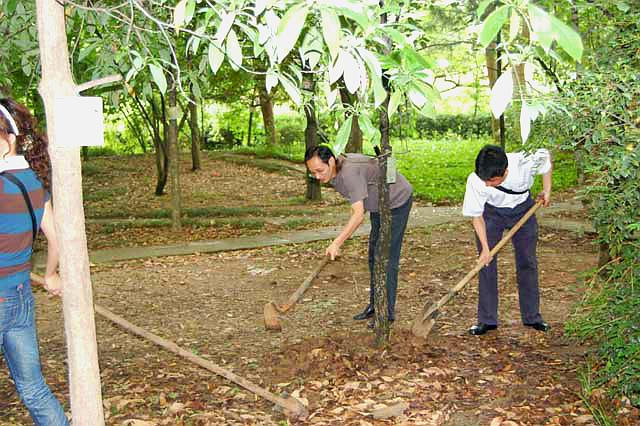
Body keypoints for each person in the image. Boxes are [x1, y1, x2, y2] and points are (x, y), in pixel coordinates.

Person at [0, 97, 69, 425]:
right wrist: (51, 274)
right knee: (34, 389)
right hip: (19, 299)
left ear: (10, 139)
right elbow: (57, 238)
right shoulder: (34, 182)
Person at [305, 144, 413, 328]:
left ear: (331, 161)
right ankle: (375, 304)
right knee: (374, 256)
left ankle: (385, 314)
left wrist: (337, 243)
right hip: (379, 205)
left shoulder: (349, 173)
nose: (317, 176)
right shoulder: (334, 172)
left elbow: (357, 214)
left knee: (385, 259)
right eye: (312, 173)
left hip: (396, 202)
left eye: (320, 170)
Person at [462, 144, 552, 336]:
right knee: (486, 264)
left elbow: (546, 160)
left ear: (506, 172)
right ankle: (487, 320)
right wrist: (486, 249)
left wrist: (547, 190)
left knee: (527, 262)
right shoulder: (476, 180)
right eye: (485, 180)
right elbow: (476, 217)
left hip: (523, 209)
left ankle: (532, 317)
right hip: (492, 213)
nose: (487, 184)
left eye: (492, 181)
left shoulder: (525, 161)